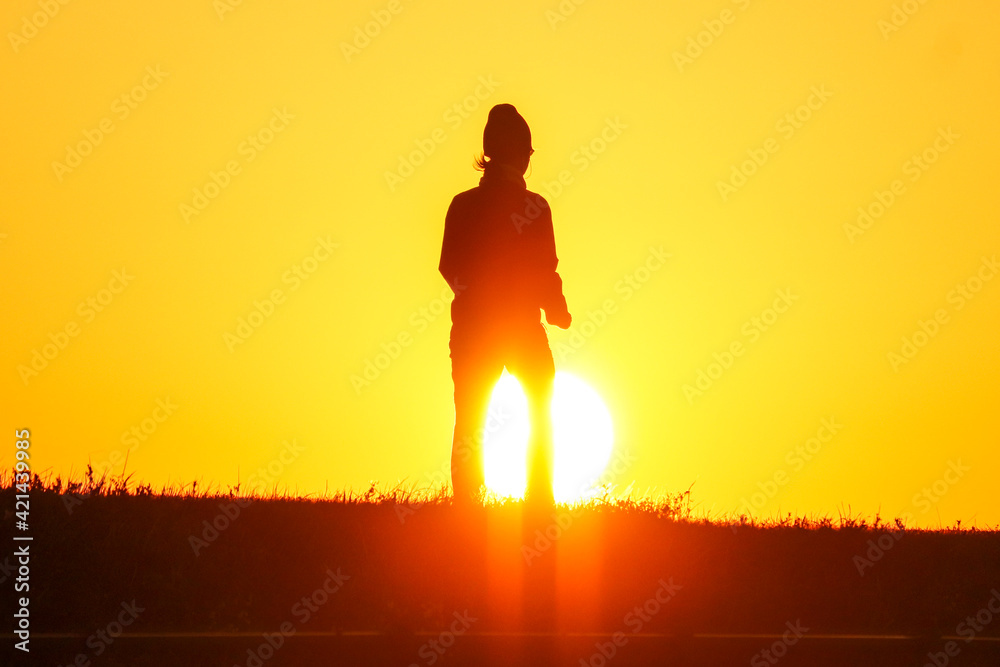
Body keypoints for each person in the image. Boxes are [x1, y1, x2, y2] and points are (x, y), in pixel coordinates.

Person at [439, 103, 572, 506]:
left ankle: (467, 502)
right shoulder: (536, 208)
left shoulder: (462, 205)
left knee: (470, 418)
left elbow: (448, 265)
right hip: (521, 328)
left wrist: (476, 299)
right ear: (522, 153)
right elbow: (544, 268)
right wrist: (556, 309)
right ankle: (539, 497)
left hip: (472, 328)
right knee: (540, 410)